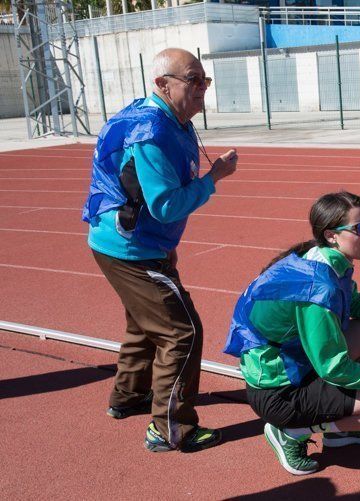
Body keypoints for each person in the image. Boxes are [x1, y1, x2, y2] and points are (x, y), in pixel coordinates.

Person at [82, 48, 238, 452]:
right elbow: (166, 204)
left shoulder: (171, 120)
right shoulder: (152, 132)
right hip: (130, 247)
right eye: (193, 80)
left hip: (134, 242)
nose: (202, 88)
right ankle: (172, 428)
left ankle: (129, 396)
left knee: (144, 323)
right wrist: (214, 177)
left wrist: (166, 246)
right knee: (181, 331)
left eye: (205, 79)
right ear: (162, 84)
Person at [224, 191, 360, 475]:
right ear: (332, 234)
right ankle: (291, 432)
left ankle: (338, 430)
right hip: (280, 391)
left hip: (297, 361)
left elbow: (352, 300)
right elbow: (332, 367)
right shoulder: (318, 286)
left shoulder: (322, 257)